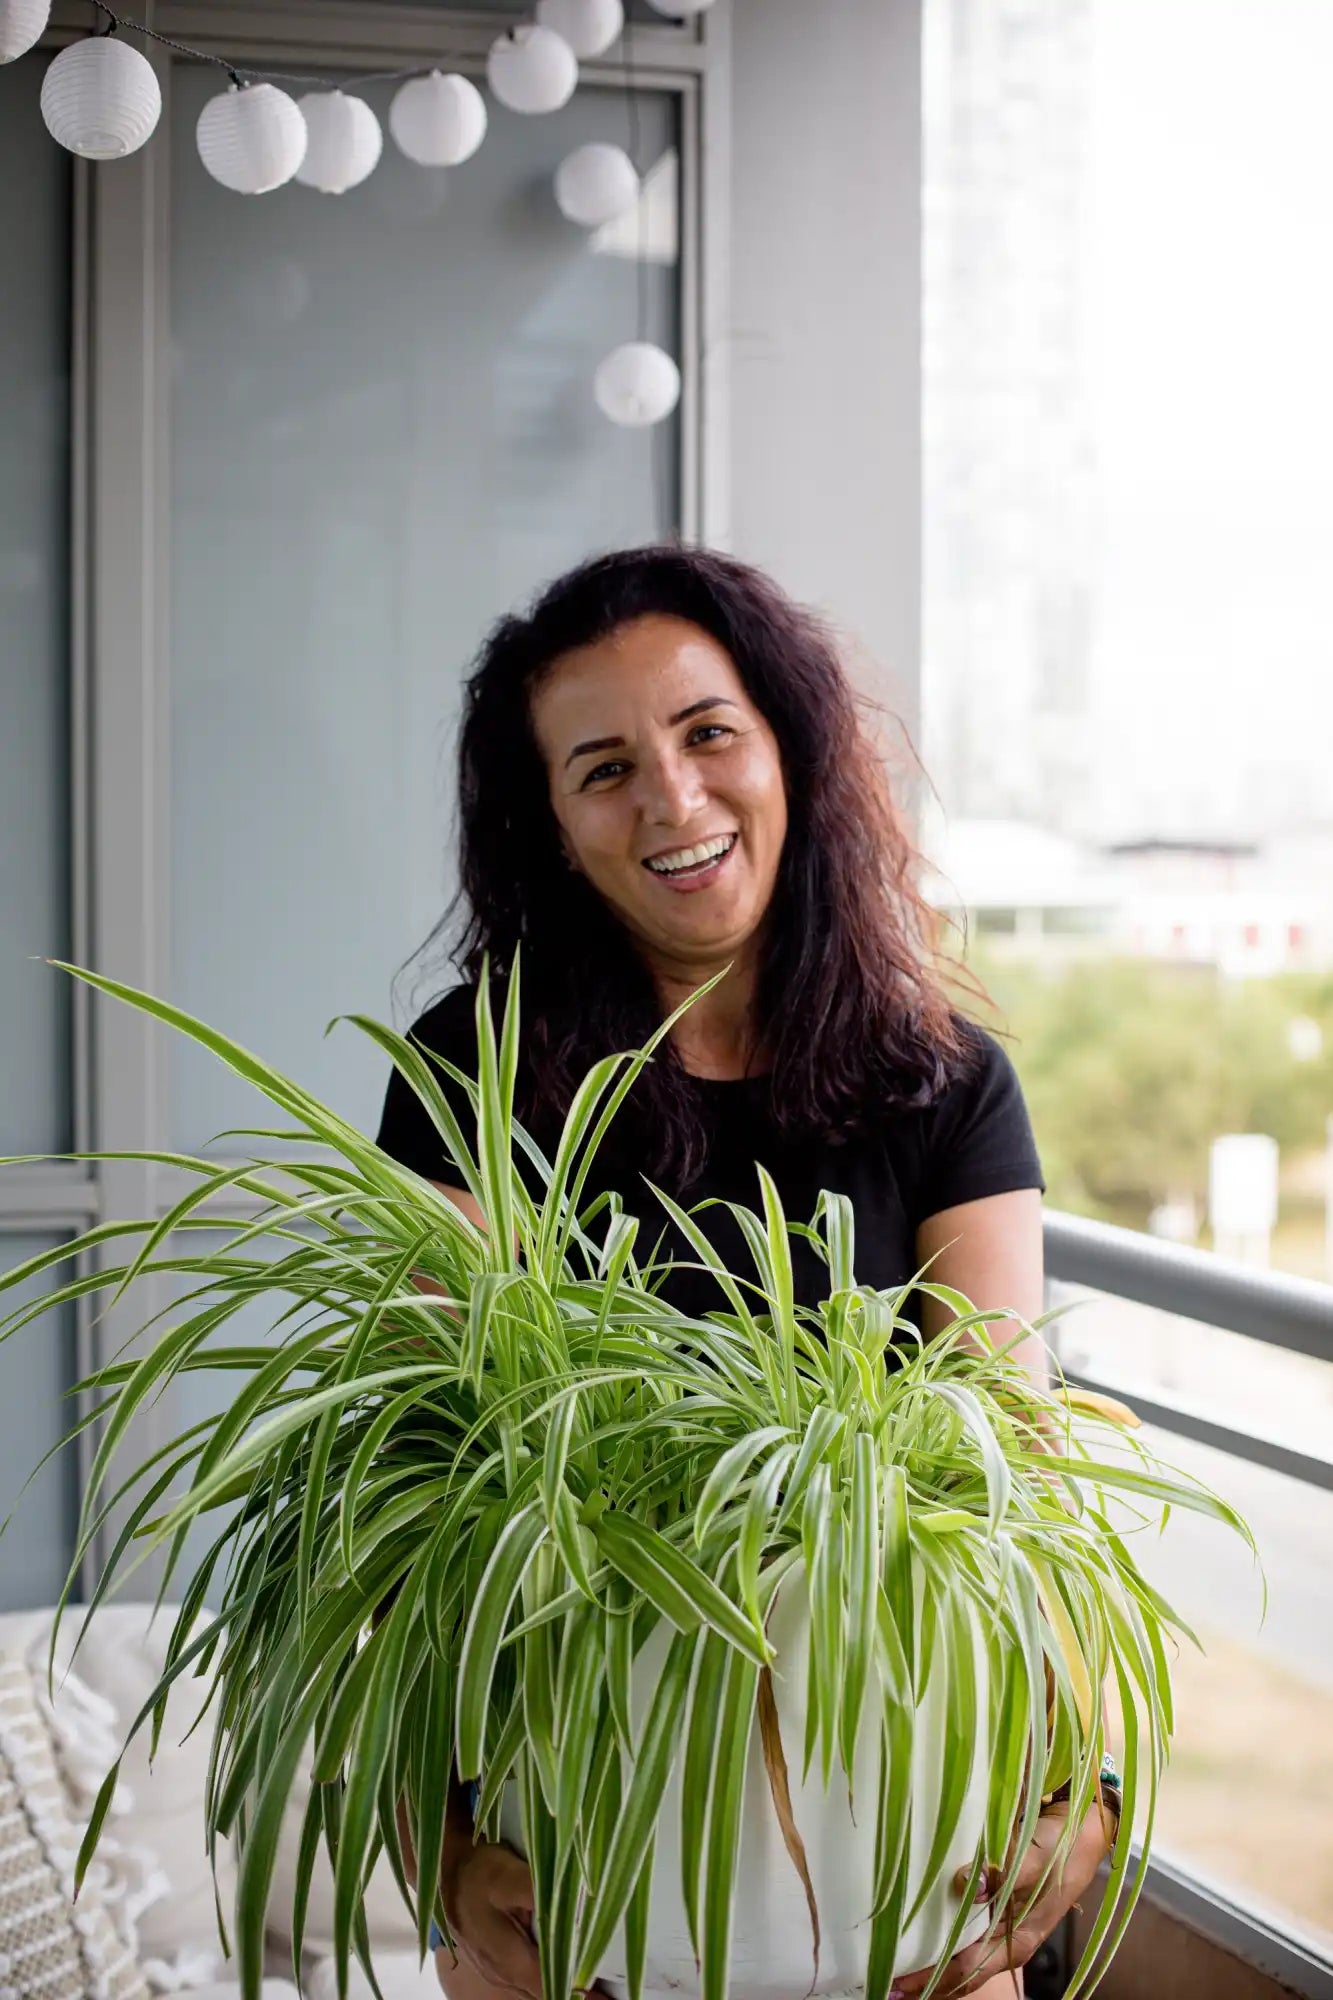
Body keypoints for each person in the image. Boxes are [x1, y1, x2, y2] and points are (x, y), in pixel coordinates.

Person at [375, 546, 1113, 2000]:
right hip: (585, 1828)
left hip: (894, 1820)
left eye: (708, 733)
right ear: (554, 826)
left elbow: (1011, 1464)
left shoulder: (942, 1081)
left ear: (787, 745)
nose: (673, 797)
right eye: (603, 767)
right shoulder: (472, 1071)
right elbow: (420, 1485)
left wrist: (1074, 1795)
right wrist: (440, 1853)